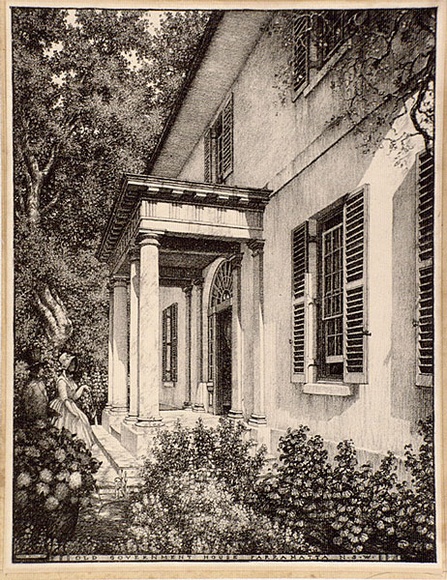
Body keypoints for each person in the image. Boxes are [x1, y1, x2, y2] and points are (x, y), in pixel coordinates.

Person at [50, 352, 94, 449]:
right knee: (68, 427)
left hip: (70, 403)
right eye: (71, 363)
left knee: (83, 421)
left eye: (74, 363)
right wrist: (73, 412)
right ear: (66, 366)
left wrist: (82, 387)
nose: (74, 366)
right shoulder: (61, 381)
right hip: (63, 407)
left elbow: (73, 397)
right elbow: (65, 399)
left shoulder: (70, 379)